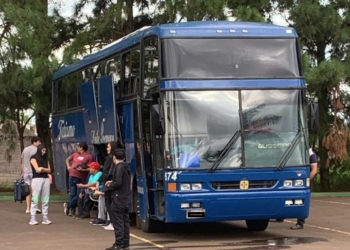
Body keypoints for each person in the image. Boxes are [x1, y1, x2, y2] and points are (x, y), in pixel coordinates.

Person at [104, 149, 131, 250]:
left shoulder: (118, 168)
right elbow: (122, 181)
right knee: (125, 222)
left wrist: (109, 186)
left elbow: (118, 182)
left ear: (114, 157)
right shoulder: (126, 167)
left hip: (118, 198)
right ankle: (125, 243)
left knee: (118, 222)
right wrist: (113, 181)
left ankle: (119, 244)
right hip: (126, 198)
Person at [90, 141, 121, 227]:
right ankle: (104, 219)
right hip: (109, 182)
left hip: (108, 183)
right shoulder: (113, 159)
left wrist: (99, 181)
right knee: (103, 199)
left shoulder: (109, 158)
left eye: (108, 147)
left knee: (108, 201)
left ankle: (109, 220)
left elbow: (106, 172)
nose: (107, 149)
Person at [290, 148, 318, 230]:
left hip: (304, 181)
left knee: (300, 200)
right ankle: (280, 217)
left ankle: (300, 222)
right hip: (295, 179)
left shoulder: (311, 154)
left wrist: (307, 180)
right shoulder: (296, 152)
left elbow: (314, 170)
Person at [64, 142, 93, 217]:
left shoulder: (89, 156)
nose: (77, 148)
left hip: (81, 178)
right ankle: (72, 209)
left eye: (78, 147)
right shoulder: (75, 154)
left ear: (82, 148)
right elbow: (67, 159)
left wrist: (84, 170)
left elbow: (90, 167)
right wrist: (68, 166)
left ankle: (68, 205)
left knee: (78, 194)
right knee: (72, 193)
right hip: (72, 176)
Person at [29, 144, 52, 225]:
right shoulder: (33, 158)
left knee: (46, 198)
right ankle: (33, 218)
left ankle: (45, 217)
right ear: (39, 150)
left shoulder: (46, 159)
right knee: (35, 198)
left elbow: (49, 170)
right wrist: (42, 169)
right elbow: (37, 169)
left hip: (46, 179)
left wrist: (43, 169)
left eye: (45, 151)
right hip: (37, 179)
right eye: (43, 150)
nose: (44, 152)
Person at [21, 136, 42, 214]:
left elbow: (22, 162)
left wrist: (22, 172)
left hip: (26, 172)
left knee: (27, 191)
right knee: (34, 190)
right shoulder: (37, 150)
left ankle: (28, 208)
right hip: (34, 172)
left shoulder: (25, 149)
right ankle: (35, 207)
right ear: (34, 142)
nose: (40, 143)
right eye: (39, 142)